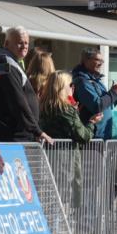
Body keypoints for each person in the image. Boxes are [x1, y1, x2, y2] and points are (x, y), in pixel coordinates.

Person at [0, 26, 53, 144]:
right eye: (20, 43)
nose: (24, 46)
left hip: (11, 134)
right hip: (8, 136)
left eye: (26, 43)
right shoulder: (5, 63)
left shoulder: (9, 61)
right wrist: (36, 131)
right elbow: (16, 98)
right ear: (6, 43)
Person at [40, 71, 101, 207]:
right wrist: (91, 123)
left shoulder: (43, 106)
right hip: (65, 160)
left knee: (51, 198)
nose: (73, 88)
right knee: (63, 199)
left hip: (46, 157)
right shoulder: (66, 109)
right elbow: (83, 136)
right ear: (62, 87)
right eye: (70, 85)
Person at [73, 48, 117, 139]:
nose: (101, 63)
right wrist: (114, 91)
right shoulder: (83, 82)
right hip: (92, 138)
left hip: (103, 135)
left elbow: (107, 105)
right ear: (85, 60)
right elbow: (97, 106)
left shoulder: (96, 81)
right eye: (97, 60)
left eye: (102, 61)